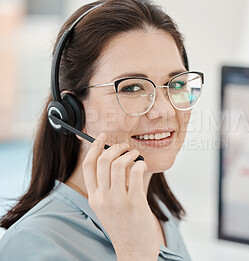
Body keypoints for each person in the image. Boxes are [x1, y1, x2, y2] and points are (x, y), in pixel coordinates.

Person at [0, 0, 203, 260]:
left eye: (175, 84)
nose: (164, 110)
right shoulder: (34, 244)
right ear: (72, 111)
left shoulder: (157, 213)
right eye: (132, 88)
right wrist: (135, 252)